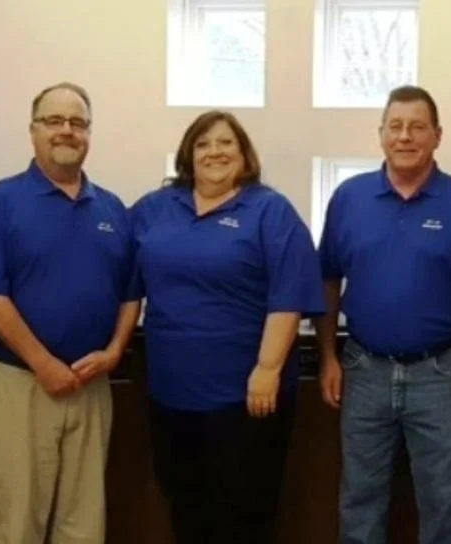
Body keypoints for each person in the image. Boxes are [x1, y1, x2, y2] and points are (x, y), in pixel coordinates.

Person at [315, 85, 451, 544]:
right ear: (380, 134)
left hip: (441, 373)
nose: (405, 137)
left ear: (437, 136)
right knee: (359, 500)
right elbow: (327, 281)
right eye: (395, 127)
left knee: (444, 500)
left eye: (417, 127)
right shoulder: (349, 198)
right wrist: (327, 356)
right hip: (363, 368)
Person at [129, 110, 325, 544]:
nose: (214, 152)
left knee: (244, 515)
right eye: (203, 144)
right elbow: (123, 281)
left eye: (225, 143)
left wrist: (268, 368)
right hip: (171, 395)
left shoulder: (269, 210)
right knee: (186, 509)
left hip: (246, 396)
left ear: (244, 154)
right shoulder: (154, 209)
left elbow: (289, 295)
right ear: (187, 154)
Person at [0, 82, 139, 544]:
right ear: (33, 131)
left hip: (92, 386)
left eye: (77, 123)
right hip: (21, 384)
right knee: (16, 524)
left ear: (89, 134)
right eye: (54, 121)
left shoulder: (113, 209)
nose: (66, 131)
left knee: (83, 525)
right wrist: (43, 363)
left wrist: (115, 352)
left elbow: (130, 294)